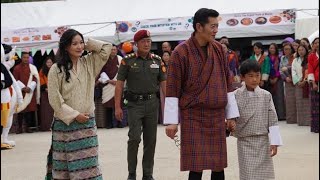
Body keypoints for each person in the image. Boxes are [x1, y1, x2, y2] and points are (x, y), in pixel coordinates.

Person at [164, 8, 239, 180]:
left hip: (216, 116)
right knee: (196, 167)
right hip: (193, 115)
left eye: (216, 26)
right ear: (199, 26)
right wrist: (171, 122)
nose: (216, 30)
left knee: (218, 166)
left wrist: (231, 115)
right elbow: (172, 87)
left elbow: (227, 82)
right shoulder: (180, 52)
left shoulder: (220, 50)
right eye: (212, 26)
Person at [45, 29, 112, 179]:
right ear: (65, 47)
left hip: (87, 125)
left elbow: (107, 48)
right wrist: (75, 115)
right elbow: (55, 100)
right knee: (64, 170)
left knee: (90, 167)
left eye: (81, 43)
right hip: (65, 127)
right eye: (74, 43)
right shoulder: (56, 70)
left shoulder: (89, 62)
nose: (79, 47)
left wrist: (88, 43)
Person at [115, 29, 166, 180]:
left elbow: (164, 85)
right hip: (134, 104)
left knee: (151, 140)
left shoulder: (157, 60)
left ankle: (148, 174)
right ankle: (132, 173)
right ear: (136, 44)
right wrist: (117, 106)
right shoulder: (127, 61)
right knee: (134, 138)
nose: (146, 44)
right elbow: (119, 85)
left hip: (152, 104)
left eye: (149, 41)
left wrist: (169, 108)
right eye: (143, 41)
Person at [233, 59, 283, 180]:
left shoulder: (266, 95)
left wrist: (275, 141)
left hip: (262, 141)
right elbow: (231, 118)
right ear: (243, 77)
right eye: (250, 76)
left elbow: (272, 118)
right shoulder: (235, 95)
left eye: (257, 75)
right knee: (248, 174)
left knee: (265, 174)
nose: (255, 79)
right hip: (245, 141)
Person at [13, 51, 40, 133]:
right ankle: (20, 128)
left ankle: (28, 127)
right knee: (20, 110)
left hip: (29, 92)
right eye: (24, 57)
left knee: (29, 110)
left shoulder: (32, 68)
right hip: (21, 92)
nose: (26, 59)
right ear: (21, 58)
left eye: (27, 58)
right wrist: (23, 88)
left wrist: (30, 87)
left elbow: (35, 79)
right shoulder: (16, 68)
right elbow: (15, 80)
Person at [96, 44, 123, 128]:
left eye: (114, 50)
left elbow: (123, 71)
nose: (113, 51)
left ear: (117, 50)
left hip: (117, 84)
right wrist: (109, 80)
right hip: (107, 84)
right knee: (108, 106)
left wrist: (118, 81)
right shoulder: (104, 59)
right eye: (111, 50)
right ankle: (109, 123)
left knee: (118, 104)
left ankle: (119, 122)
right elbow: (101, 72)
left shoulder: (120, 59)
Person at [291, 45, 312, 126]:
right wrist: (298, 81)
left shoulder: (309, 59)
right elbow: (293, 72)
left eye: (302, 50)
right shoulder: (295, 60)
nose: (301, 51)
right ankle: (301, 121)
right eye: (299, 50)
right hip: (298, 84)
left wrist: (305, 80)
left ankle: (309, 121)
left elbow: (309, 70)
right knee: (299, 102)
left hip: (307, 83)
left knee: (308, 103)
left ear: (306, 50)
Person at [267, 43, 286, 120]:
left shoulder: (279, 58)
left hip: (278, 79)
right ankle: (271, 116)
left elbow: (280, 68)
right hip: (268, 79)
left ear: (276, 49)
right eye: (270, 48)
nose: (272, 50)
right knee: (270, 97)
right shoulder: (266, 58)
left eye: (273, 48)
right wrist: (270, 78)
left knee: (279, 97)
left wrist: (276, 77)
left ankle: (280, 115)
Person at [280, 43, 297, 124]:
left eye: (288, 49)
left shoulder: (294, 57)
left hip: (295, 80)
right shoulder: (282, 58)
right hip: (287, 81)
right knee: (289, 100)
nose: (286, 51)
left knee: (295, 99)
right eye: (285, 49)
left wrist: (287, 68)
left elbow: (296, 67)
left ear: (292, 49)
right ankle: (290, 119)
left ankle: (297, 118)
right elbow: (280, 70)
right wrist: (285, 78)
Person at [39, 56, 54, 131]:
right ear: (45, 63)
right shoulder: (42, 71)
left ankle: (53, 126)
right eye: (48, 62)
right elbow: (41, 80)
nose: (49, 64)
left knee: (53, 109)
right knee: (45, 110)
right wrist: (45, 88)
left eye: (50, 62)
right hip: (45, 92)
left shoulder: (55, 70)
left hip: (54, 92)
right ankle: (46, 126)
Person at [307, 37, 319, 133]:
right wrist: (314, 83)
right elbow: (310, 70)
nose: (318, 44)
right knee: (315, 106)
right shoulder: (311, 56)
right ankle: (316, 127)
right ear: (313, 45)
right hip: (315, 82)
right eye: (316, 43)